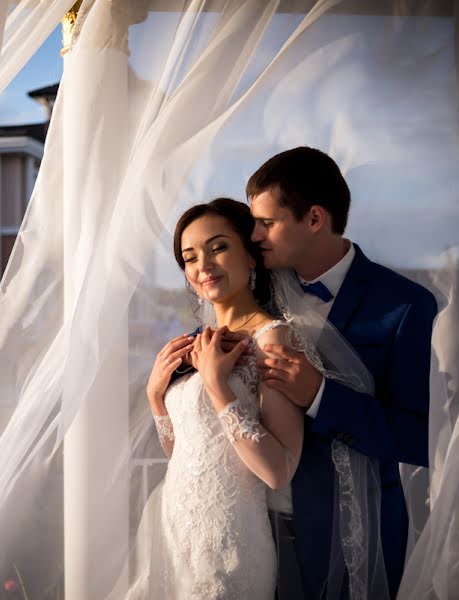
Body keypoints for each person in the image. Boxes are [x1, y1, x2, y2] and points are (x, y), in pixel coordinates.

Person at [248, 147, 438, 599]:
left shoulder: (407, 306)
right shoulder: (255, 296)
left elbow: (420, 438)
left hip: (361, 537)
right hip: (258, 534)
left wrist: (320, 396)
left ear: (315, 218)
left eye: (266, 223)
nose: (252, 235)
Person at [124, 198, 304, 599]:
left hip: (230, 544)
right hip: (176, 532)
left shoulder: (272, 339)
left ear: (251, 255)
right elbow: (189, 452)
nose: (202, 265)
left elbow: (278, 471)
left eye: (218, 247)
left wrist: (218, 388)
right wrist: (157, 398)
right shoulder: (195, 343)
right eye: (189, 258)